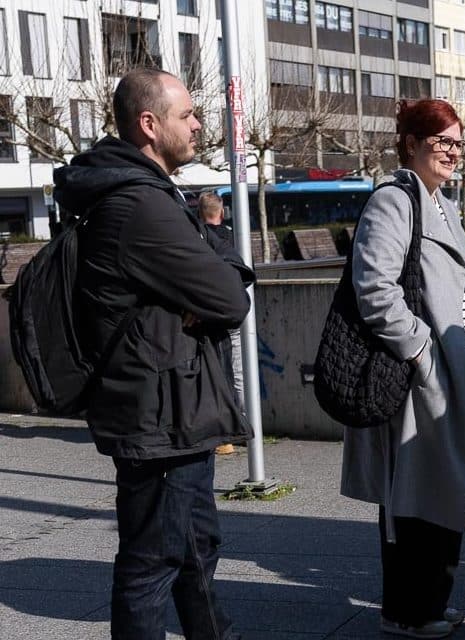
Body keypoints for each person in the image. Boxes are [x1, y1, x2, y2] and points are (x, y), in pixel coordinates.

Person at [53, 68, 252, 640]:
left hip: (172, 407)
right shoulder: (141, 205)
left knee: (192, 550)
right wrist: (213, 266)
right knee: (153, 563)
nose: (197, 124)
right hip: (159, 415)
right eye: (186, 114)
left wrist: (212, 260)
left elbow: (223, 278)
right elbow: (229, 298)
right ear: (149, 124)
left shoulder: (147, 195)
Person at [339, 99, 465, 639]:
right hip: (421, 378)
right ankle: (407, 612)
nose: (453, 152)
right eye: (442, 142)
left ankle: (428, 603)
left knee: (443, 491)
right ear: (410, 143)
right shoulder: (394, 201)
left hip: (454, 373)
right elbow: (374, 289)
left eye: (458, 142)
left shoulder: (443, 204)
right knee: (411, 497)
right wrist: (424, 352)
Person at [198, 191, 245, 456]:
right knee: (237, 370)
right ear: (222, 212)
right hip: (231, 313)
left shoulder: (196, 238)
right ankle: (242, 422)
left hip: (207, 315)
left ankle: (221, 430)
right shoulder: (232, 239)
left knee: (213, 372)